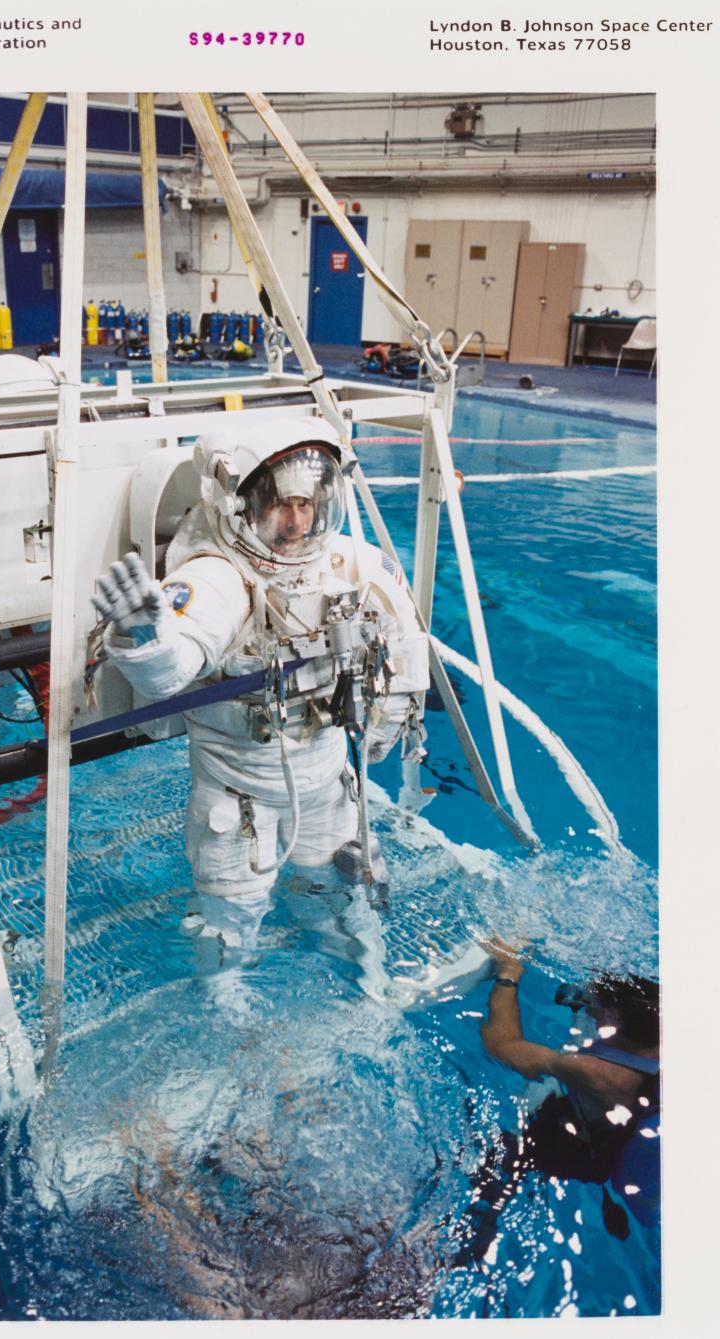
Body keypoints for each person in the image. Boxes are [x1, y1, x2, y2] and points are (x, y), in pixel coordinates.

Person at [91, 417, 430, 973]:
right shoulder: (220, 576)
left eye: (307, 503)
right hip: (237, 794)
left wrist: (381, 736)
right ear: (239, 506)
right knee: (229, 927)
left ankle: (352, 978)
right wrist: (141, 633)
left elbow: (405, 647)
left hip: (326, 783)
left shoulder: (351, 564)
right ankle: (224, 1015)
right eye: (280, 505)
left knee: (333, 897)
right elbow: (170, 673)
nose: (296, 522)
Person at [455, 938, 660, 1259]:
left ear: (609, 1017)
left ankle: (472, 1235)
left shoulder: (599, 1074)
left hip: (590, 1151)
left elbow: (501, 1045)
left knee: (499, 1159)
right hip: (636, 1129)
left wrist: (509, 970)